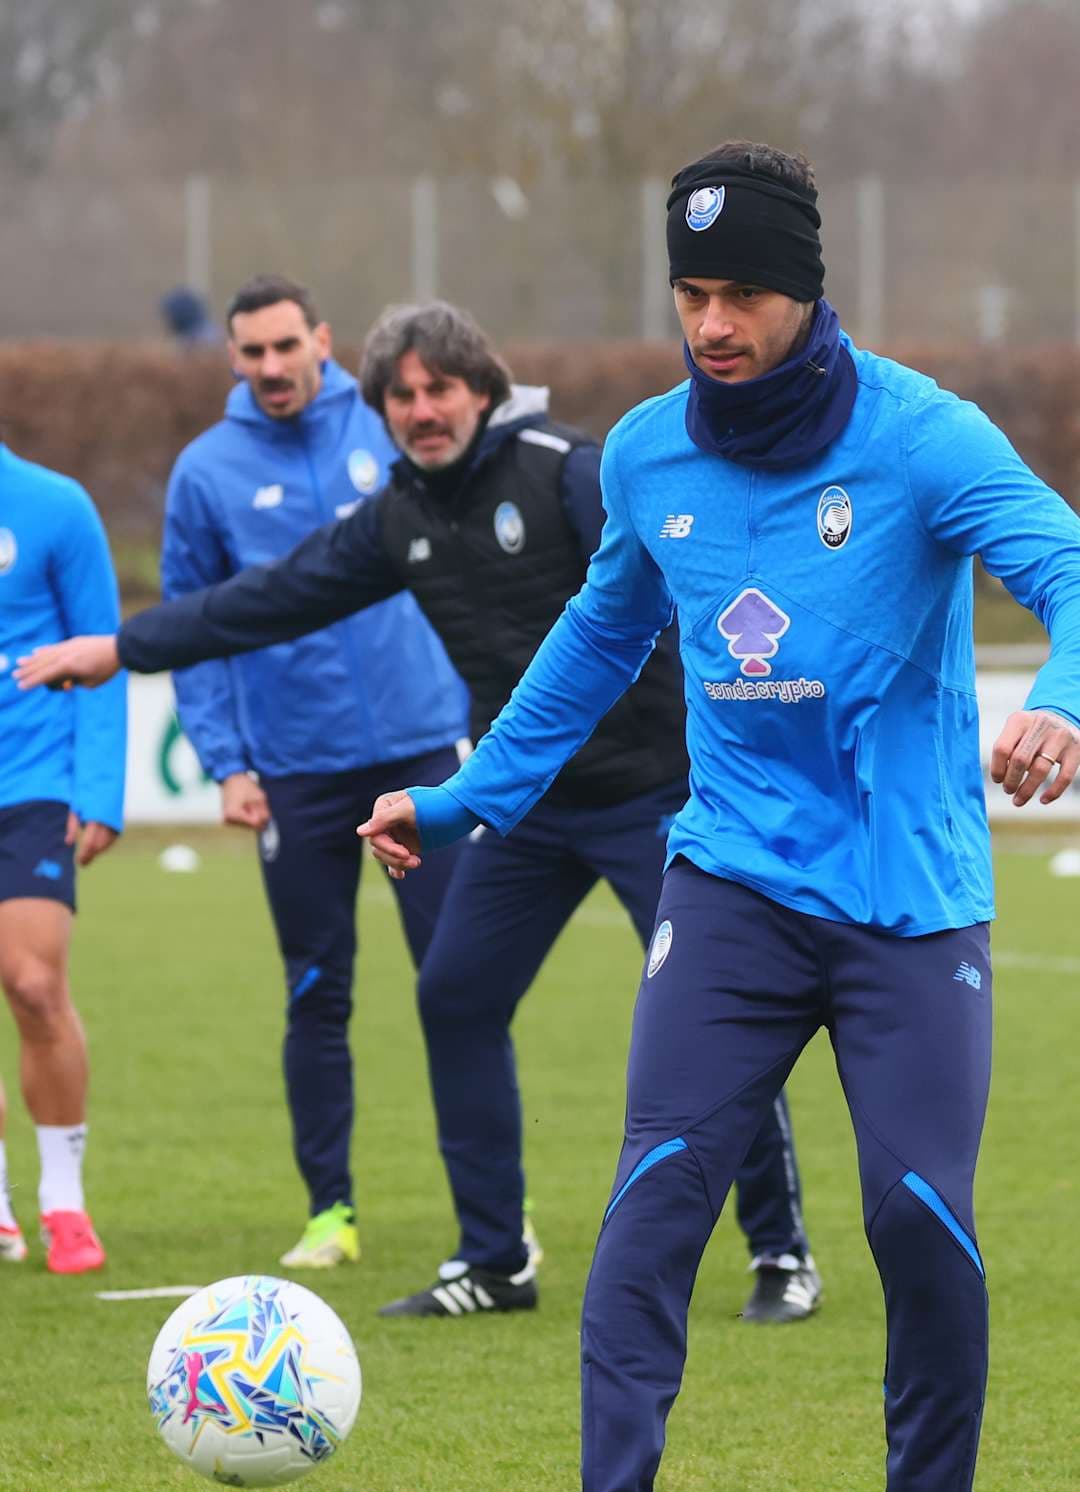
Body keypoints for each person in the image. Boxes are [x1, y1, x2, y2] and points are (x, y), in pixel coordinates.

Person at [341, 145, 1080, 1492]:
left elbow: (1072, 572)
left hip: (908, 901)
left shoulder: (927, 439)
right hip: (732, 882)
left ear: (809, 290)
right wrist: (464, 797)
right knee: (658, 1192)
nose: (714, 322)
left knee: (916, 1222)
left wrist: (1062, 705)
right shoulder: (647, 458)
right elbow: (595, 640)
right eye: (691, 292)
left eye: (742, 291)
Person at [16, 300, 824, 1326]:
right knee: (454, 997)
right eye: (401, 395)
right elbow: (267, 598)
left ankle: (780, 1252)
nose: (421, 409)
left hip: (657, 795)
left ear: (480, 389)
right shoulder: (400, 514)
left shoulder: (564, 467)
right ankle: (495, 1261)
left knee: (711, 1013)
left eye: (440, 388)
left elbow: (695, 585)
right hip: (520, 805)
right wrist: (122, 650)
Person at [162, 273, 471, 1270]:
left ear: (322, 341)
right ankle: (329, 1213)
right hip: (294, 770)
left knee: (459, 983)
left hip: (425, 750)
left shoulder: (389, 429)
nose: (270, 367)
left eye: (285, 347)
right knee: (314, 991)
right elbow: (193, 626)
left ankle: (490, 1222)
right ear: (234, 361)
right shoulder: (205, 473)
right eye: (250, 354)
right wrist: (227, 762)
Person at [0, 442, 126, 1272]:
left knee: (35, 984)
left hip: (33, 776)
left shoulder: (54, 503)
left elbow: (105, 649)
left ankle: (63, 1203)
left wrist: (102, 788)